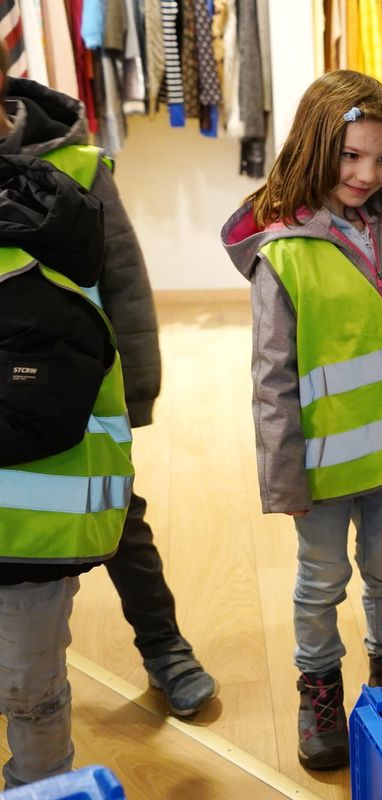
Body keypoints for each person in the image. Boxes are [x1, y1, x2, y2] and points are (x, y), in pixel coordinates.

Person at [221, 70, 382, 771]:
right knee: (321, 582)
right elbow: (272, 377)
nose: (368, 173)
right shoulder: (283, 251)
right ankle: (318, 686)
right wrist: (283, 473)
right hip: (320, 466)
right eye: (352, 157)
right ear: (317, 147)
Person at [0, 43, 217, 719]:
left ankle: (163, 645)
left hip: (73, 397)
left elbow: (121, 273)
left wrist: (138, 389)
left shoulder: (76, 165)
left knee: (120, 511)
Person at [0, 154, 133, 788]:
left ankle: (44, 784)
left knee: (30, 689)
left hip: (31, 547)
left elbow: (36, 419)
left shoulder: (38, 300)